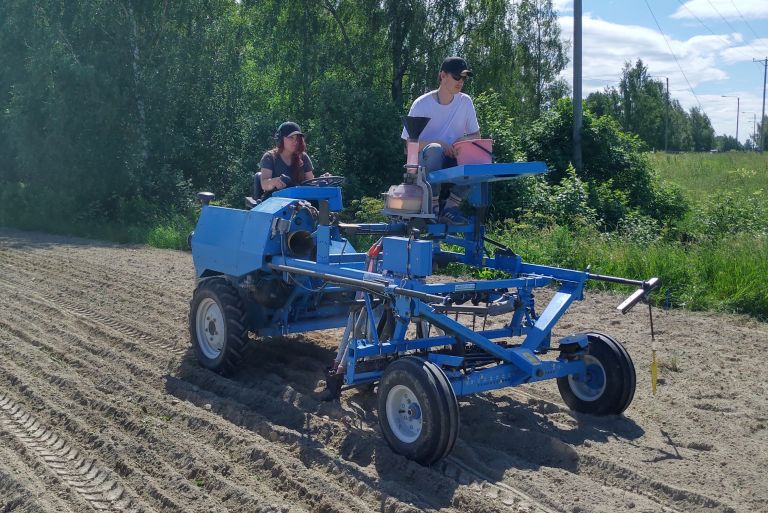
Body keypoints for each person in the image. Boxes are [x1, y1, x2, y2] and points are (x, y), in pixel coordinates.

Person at [401, 56, 480, 225]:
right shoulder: (421, 104)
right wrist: (439, 144)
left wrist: (461, 141)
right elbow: (408, 146)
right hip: (425, 162)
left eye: (464, 78)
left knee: (480, 156)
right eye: (457, 77)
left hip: (454, 159)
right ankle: (434, 205)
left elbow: (475, 136)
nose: (461, 82)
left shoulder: (466, 102)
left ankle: (452, 206)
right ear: (443, 75)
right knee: (435, 149)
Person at [259, 121, 315, 194]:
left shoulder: (303, 157)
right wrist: (274, 182)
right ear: (281, 139)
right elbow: (264, 185)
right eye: (291, 138)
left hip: (301, 199)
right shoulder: (270, 157)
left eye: (297, 138)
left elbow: (311, 182)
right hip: (274, 200)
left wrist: (324, 180)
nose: (295, 142)